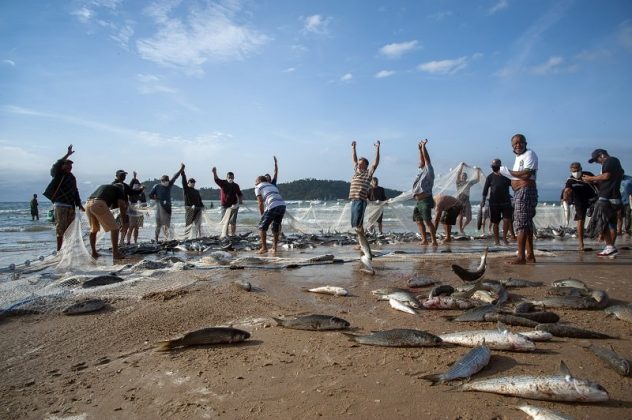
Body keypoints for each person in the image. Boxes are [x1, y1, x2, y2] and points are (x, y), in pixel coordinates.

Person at [502, 134, 538, 264]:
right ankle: (530, 255)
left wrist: (508, 172)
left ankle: (521, 257)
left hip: (525, 191)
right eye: (515, 144)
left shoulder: (530, 154)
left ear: (525, 143)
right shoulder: (518, 158)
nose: (518, 145)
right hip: (519, 192)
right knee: (526, 225)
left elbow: (527, 174)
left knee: (521, 224)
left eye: (520, 142)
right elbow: (519, 175)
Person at [583, 149, 625, 257]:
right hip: (614, 197)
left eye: (597, 159)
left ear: (601, 155)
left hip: (607, 197)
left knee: (602, 222)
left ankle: (610, 246)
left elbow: (606, 176)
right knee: (611, 223)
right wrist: (596, 180)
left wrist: (591, 178)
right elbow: (609, 178)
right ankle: (610, 247)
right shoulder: (615, 163)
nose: (597, 162)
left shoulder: (610, 160)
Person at [44, 144, 84, 251]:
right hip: (60, 204)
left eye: (71, 166)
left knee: (69, 229)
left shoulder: (72, 177)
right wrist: (67, 154)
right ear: (62, 166)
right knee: (60, 229)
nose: (70, 167)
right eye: (67, 165)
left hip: (70, 206)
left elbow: (75, 191)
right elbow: (56, 164)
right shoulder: (58, 174)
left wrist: (79, 204)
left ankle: (67, 249)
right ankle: (59, 251)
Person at [84, 183, 127, 261]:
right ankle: (115, 253)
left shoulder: (105, 187)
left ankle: (94, 252)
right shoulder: (119, 189)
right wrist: (124, 223)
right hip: (98, 203)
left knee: (94, 229)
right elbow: (122, 205)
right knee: (115, 229)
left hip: (87, 204)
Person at [561, 162, 597, 250]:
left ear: (581, 168)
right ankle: (581, 243)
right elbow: (567, 190)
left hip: (592, 198)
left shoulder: (588, 174)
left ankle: (600, 235)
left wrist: (592, 180)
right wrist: (565, 196)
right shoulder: (570, 180)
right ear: (571, 170)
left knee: (599, 217)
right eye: (574, 171)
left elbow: (597, 183)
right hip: (579, 200)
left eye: (578, 170)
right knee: (580, 220)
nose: (576, 172)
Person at [349, 140, 381, 233]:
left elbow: (375, 163)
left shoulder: (368, 173)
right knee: (356, 224)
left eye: (361, 163)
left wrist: (377, 149)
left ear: (366, 165)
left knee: (359, 224)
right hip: (354, 200)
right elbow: (354, 160)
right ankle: (360, 243)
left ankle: (361, 244)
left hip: (360, 200)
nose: (358, 164)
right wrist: (353, 148)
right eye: (358, 163)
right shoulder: (357, 171)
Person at [149, 164, 185, 242]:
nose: (166, 182)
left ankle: (166, 239)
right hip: (159, 208)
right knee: (158, 224)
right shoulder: (157, 186)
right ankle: (156, 239)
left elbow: (175, 176)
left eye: (167, 181)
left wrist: (181, 169)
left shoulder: (169, 185)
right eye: (165, 181)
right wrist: (157, 198)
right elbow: (150, 195)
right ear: (161, 181)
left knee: (167, 225)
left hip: (167, 208)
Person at [412, 139, 438, 246]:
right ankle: (424, 240)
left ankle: (434, 241)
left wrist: (423, 147)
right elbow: (422, 159)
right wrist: (419, 150)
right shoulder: (421, 171)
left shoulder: (429, 171)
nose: (419, 162)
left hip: (426, 200)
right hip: (418, 202)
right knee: (418, 220)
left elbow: (426, 159)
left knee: (427, 221)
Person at [481, 159, 513, 245]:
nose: (494, 168)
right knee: (495, 223)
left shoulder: (506, 176)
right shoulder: (490, 177)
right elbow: (485, 190)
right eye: (493, 166)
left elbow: (514, 185)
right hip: (494, 203)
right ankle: (497, 240)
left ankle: (505, 239)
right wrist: (483, 201)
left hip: (506, 202)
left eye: (496, 166)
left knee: (507, 220)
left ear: (500, 166)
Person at [255, 175, 286, 254]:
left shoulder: (258, 187)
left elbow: (260, 202)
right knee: (275, 227)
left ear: (259, 181)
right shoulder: (273, 186)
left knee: (262, 227)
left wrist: (262, 214)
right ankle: (274, 248)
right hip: (282, 205)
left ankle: (264, 248)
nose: (255, 183)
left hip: (273, 205)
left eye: (256, 182)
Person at [212, 167, 244, 236]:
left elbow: (240, 194)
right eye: (229, 177)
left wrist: (241, 200)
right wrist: (214, 173)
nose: (230, 179)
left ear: (234, 178)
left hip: (234, 206)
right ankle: (225, 235)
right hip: (224, 206)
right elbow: (216, 179)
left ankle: (233, 235)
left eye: (232, 177)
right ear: (226, 177)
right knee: (225, 222)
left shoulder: (236, 185)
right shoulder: (223, 183)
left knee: (233, 222)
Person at [455, 163, 482, 234]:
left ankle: (463, 228)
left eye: (465, 176)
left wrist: (478, 171)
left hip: (467, 200)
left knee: (469, 218)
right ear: (461, 177)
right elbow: (458, 173)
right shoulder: (458, 182)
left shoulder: (468, 183)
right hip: (459, 200)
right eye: (463, 176)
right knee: (460, 216)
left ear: (466, 177)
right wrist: (462, 166)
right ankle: (460, 230)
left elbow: (477, 180)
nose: (464, 177)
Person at [181, 168, 205, 239]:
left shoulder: (196, 191)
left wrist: (202, 206)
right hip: (189, 209)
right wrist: (183, 173)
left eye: (194, 182)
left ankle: (197, 237)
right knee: (188, 224)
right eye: (191, 182)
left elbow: (199, 200)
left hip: (198, 209)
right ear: (188, 183)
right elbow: (183, 182)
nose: (193, 183)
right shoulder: (186, 190)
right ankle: (186, 238)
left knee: (198, 224)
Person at [112, 169, 133, 246]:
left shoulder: (125, 185)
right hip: (115, 209)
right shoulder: (113, 184)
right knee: (116, 226)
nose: (123, 176)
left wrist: (141, 189)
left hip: (125, 208)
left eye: (124, 175)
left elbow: (132, 192)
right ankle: (115, 243)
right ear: (117, 176)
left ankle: (121, 241)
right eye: (121, 175)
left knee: (126, 224)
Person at [126, 174, 146, 245]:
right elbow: (130, 186)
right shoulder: (131, 192)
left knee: (137, 227)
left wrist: (146, 211)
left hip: (139, 211)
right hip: (131, 211)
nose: (136, 185)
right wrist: (134, 178)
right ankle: (128, 241)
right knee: (131, 226)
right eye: (135, 184)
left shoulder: (142, 193)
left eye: (138, 184)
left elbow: (144, 203)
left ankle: (135, 241)